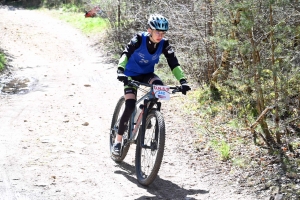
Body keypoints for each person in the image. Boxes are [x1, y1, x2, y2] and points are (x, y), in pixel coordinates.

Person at [112, 14, 191, 155]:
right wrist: (120, 71)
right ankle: (118, 141)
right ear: (149, 30)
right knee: (130, 105)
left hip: (147, 74)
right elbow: (126, 53)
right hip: (130, 74)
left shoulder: (164, 44)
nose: (160, 35)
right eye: (157, 32)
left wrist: (183, 81)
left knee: (159, 87)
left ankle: (146, 112)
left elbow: (174, 63)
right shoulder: (139, 39)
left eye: (163, 33)